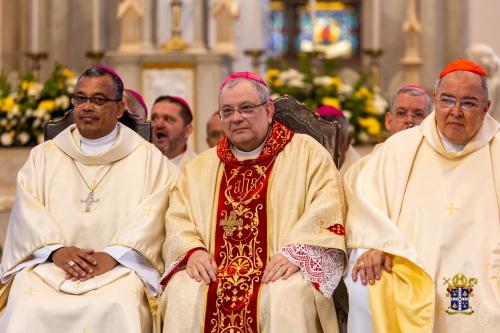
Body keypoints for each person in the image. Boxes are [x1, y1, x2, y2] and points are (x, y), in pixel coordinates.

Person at [159, 72, 346, 332]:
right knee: (184, 291)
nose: (237, 118)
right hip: (214, 268)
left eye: (246, 108)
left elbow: (327, 206)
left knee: (286, 296)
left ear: (268, 110)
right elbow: (178, 217)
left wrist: (297, 254)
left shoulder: (307, 153)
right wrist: (193, 251)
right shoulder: (200, 167)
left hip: (280, 265)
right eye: (228, 111)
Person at [0, 66, 178, 332]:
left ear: (119, 109)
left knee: (119, 304)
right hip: (49, 266)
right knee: (27, 305)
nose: (86, 107)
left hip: (120, 268)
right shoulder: (44, 156)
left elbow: (152, 216)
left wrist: (114, 255)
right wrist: (56, 250)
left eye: (98, 100)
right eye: (81, 98)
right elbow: (28, 211)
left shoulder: (149, 160)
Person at [345, 59, 500, 332]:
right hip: (409, 262)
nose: (456, 112)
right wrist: (375, 245)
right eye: (448, 100)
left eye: (469, 103)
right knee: (365, 284)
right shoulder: (400, 147)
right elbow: (370, 202)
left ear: (486, 107)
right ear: (435, 99)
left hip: (487, 263)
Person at [151, 95, 196, 168]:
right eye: (154, 118)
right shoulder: (139, 162)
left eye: (168, 119)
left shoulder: (200, 168)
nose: (158, 124)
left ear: (187, 130)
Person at [316, 105, 360, 176]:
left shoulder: (360, 173)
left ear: (348, 140)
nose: (328, 145)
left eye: (336, 137)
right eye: (322, 138)